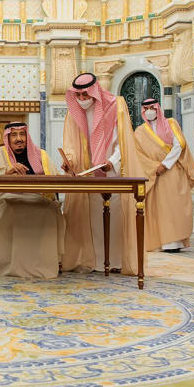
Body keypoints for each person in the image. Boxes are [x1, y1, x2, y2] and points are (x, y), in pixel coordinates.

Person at [60, 72, 141, 275]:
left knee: (115, 218)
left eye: (86, 95)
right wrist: (69, 162)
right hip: (88, 175)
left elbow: (124, 142)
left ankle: (116, 261)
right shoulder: (73, 112)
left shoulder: (116, 105)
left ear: (94, 91)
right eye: (78, 96)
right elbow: (71, 144)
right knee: (93, 218)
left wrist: (112, 162)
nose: (82, 100)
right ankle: (94, 261)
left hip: (113, 172)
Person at [0, 122, 65, 278]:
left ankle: (42, 265)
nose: (19, 139)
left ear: (27, 137)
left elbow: (55, 180)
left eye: (22, 134)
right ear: (8, 138)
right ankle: (12, 265)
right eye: (14, 135)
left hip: (38, 198)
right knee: (14, 207)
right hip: (6, 199)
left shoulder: (42, 156)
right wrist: (8, 174)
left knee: (48, 210)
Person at [133, 98, 194, 253]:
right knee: (160, 209)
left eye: (152, 107)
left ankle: (175, 241)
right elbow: (138, 155)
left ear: (158, 108)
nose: (149, 111)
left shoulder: (171, 123)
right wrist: (155, 167)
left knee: (175, 207)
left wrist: (165, 164)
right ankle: (162, 242)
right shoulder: (140, 132)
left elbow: (179, 145)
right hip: (154, 174)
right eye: (146, 108)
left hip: (173, 171)